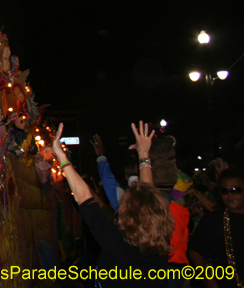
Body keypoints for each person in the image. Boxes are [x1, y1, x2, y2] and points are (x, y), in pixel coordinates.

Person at [52, 121, 173, 286]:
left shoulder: (117, 243)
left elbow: (84, 198)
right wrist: (143, 155)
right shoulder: (161, 243)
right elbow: (148, 198)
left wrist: (62, 157)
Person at [188, 168, 244, 288]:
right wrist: (208, 279)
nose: (230, 195)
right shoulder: (212, 220)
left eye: (236, 190)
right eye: (225, 191)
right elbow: (195, 251)